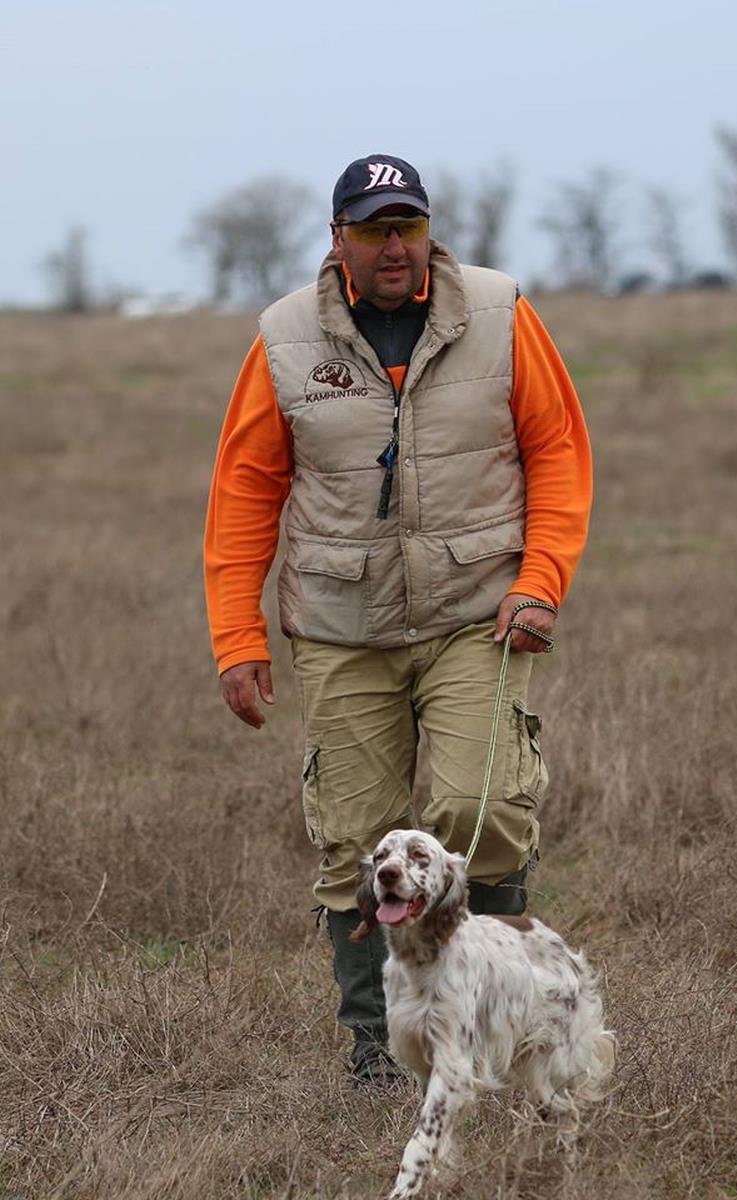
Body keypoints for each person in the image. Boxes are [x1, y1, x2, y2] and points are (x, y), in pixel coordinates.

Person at [204, 153, 592, 1085]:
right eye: (374, 228)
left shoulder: (499, 312)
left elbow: (557, 448)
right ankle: (382, 1052)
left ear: (428, 232)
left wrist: (540, 580)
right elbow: (246, 488)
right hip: (341, 624)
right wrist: (237, 636)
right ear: (337, 238)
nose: (394, 245)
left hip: (477, 613)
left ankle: (489, 1019)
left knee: (477, 810)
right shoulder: (284, 337)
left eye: (408, 226)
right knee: (358, 836)